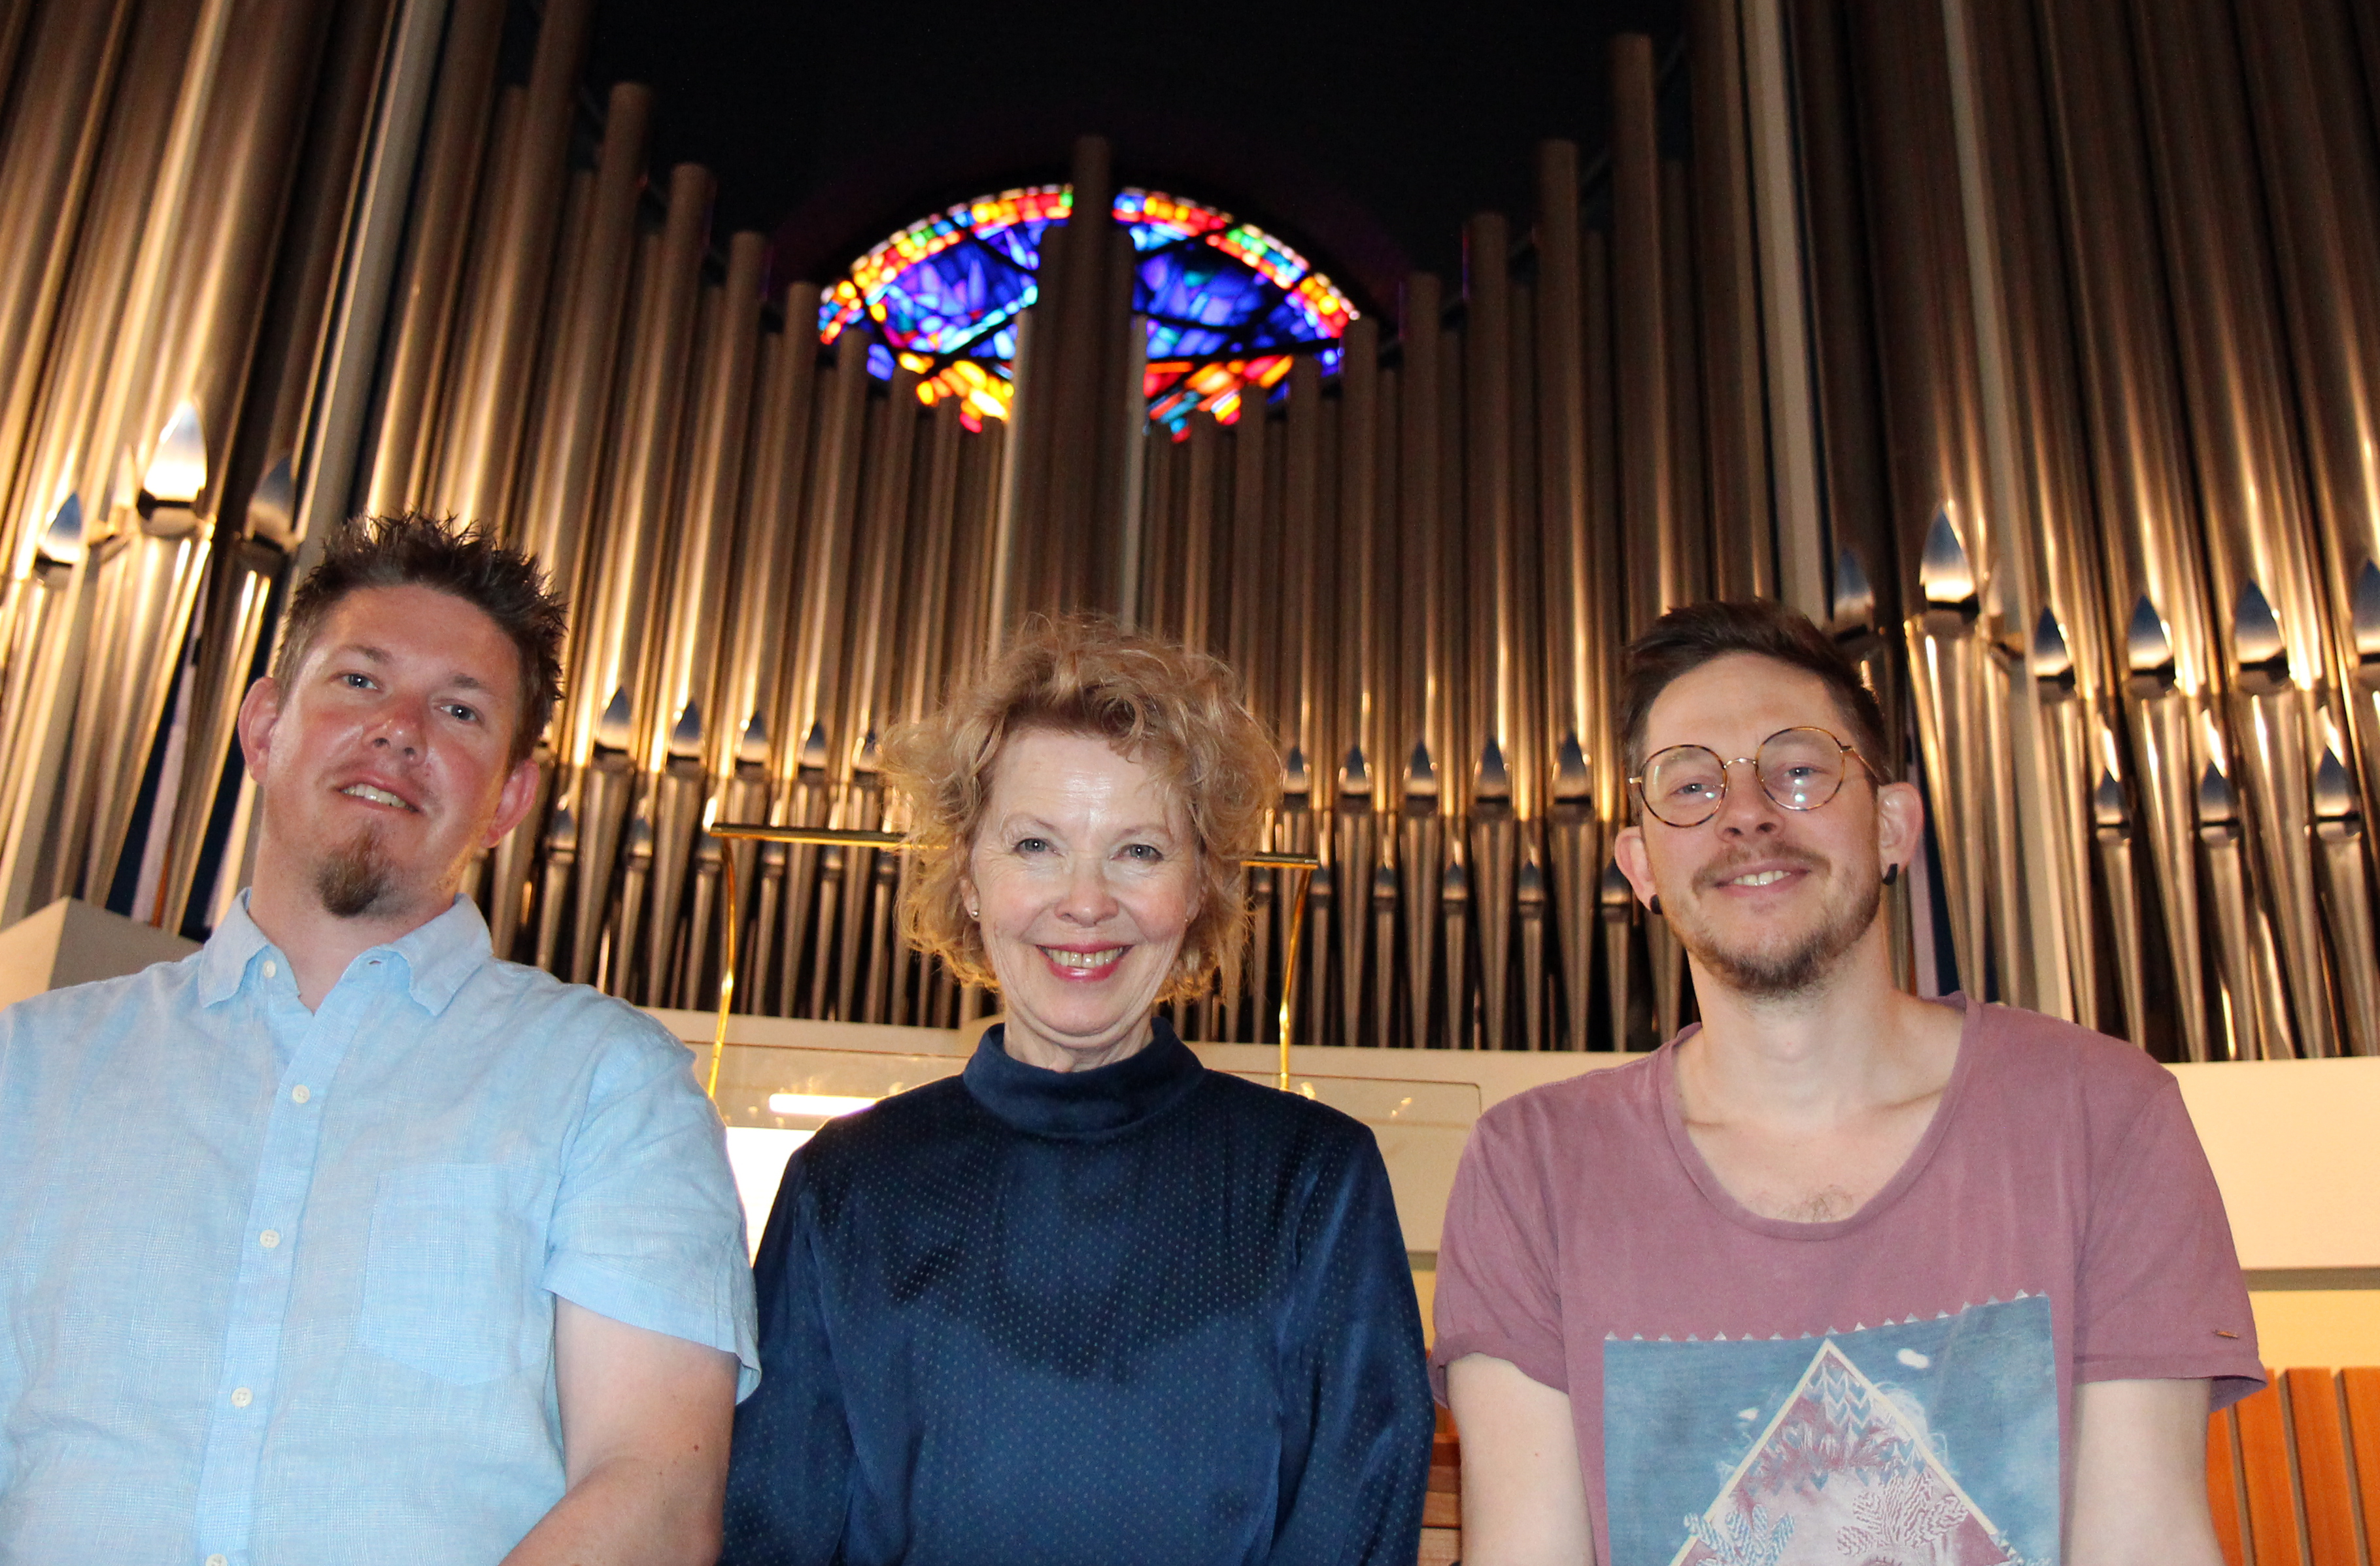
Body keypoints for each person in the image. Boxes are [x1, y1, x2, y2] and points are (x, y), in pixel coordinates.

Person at [0, 512, 758, 1566]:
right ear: (263, 728)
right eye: (360, 683)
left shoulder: (613, 1084)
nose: (402, 729)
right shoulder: (20, 1071)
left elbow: (652, 1488)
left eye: (461, 710)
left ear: (510, 797)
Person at [1434, 598, 2260, 1566]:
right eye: (1690, 786)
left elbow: (2147, 1544)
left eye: (1797, 770)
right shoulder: (1530, 1168)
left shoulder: (2104, 1115)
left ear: (1895, 827)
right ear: (1641, 868)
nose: (1745, 813)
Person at [722, 616, 1433, 1565]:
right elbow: (775, 1530)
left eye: (1139, 851)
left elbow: (1357, 1521)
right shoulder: (843, 1188)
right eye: (1036, 846)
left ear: (1200, 890)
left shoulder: (1313, 1181)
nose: (1086, 902)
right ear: (968, 877)